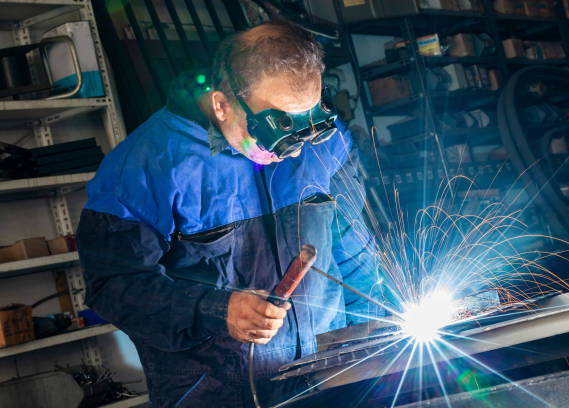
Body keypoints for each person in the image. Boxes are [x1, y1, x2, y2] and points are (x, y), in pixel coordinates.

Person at [76, 22, 382, 407]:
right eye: (280, 128)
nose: (296, 151)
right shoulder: (144, 167)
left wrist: (383, 326)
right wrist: (216, 310)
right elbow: (114, 285)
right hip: (218, 394)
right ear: (221, 104)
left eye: (308, 125)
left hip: (328, 379)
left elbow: (354, 249)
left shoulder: (328, 140)